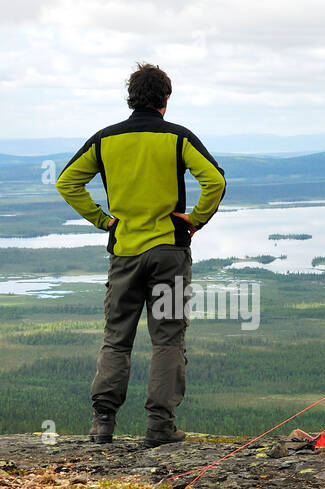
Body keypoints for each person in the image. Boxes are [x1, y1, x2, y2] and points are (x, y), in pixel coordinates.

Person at [56, 63, 226, 446]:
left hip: (125, 253)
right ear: (166, 100)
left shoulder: (105, 140)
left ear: (131, 98)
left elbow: (67, 182)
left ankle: (103, 423)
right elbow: (215, 180)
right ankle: (159, 426)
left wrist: (104, 221)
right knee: (167, 339)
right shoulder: (178, 138)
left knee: (117, 338)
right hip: (169, 252)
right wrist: (195, 220)